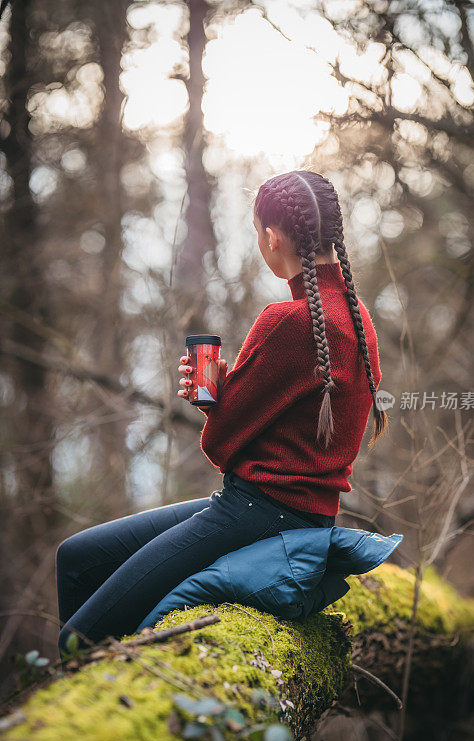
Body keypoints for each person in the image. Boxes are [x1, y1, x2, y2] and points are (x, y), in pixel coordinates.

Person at [55, 169, 389, 659]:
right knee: (79, 555)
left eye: (258, 233)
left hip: (258, 513)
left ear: (273, 236)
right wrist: (228, 397)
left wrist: (216, 397)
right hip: (299, 513)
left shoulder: (286, 323)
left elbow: (218, 446)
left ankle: (77, 697)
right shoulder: (358, 319)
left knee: (73, 634)